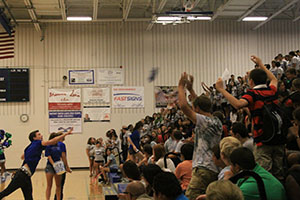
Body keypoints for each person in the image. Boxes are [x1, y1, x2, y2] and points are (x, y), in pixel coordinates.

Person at [215, 55, 286, 179]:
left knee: (265, 175)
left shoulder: (253, 94)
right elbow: (274, 79)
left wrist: (222, 90)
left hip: (263, 139)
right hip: (279, 138)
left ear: (251, 81)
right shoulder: (272, 90)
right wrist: (261, 64)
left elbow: (238, 104)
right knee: (279, 174)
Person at [178, 73, 222, 200]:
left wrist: (181, 87)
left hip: (203, 168)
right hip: (212, 168)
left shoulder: (204, 121)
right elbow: (199, 104)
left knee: (191, 197)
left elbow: (183, 106)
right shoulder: (215, 121)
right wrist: (191, 89)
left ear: (197, 108)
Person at [0, 128, 72, 200]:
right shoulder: (37, 143)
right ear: (34, 138)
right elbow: (51, 141)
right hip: (22, 175)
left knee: (28, 197)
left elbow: (22, 157)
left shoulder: (31, 146)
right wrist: (65, 134)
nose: (41, 135)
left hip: (25, 175)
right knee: (6, 192)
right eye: (39, 134)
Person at [45, 132, 66, 200]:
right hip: (50, 166)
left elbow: (62, 155)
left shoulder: (60, 145)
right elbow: (49, 156)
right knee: (49, 185)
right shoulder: (48, 146)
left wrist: (63, 165)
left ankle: (58, 198)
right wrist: (54, 164)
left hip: (58, 165)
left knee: (58, 185)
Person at [54, 132, 71, 200]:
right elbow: (63, 156)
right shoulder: (62, 144)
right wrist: (67, 166)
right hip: (60, 165)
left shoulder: (53, 144)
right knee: (60, 184)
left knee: (57, 185)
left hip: (54, 165)